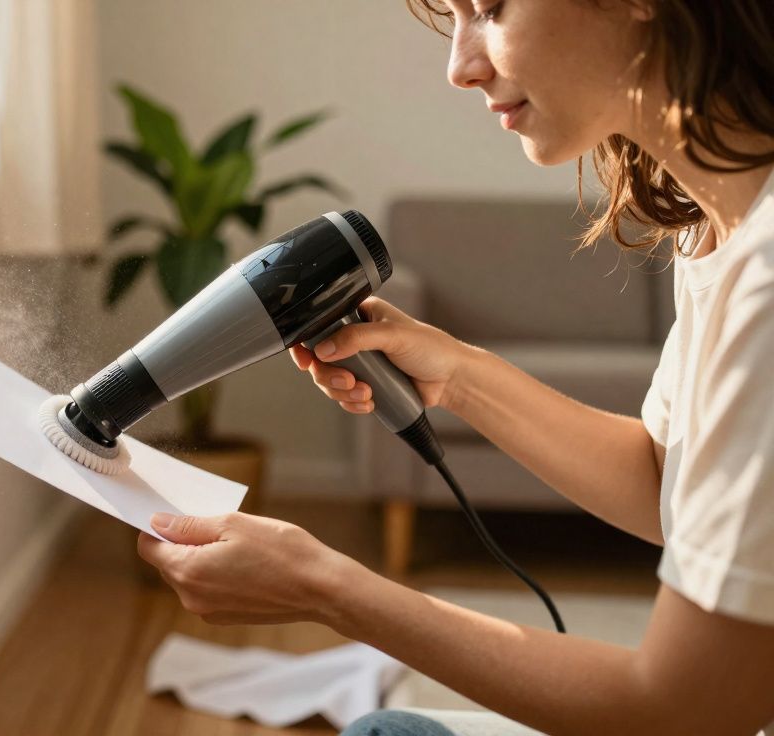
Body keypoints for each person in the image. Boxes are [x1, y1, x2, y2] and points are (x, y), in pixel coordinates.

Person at [135, 1, 774, 734]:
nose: (461, 66)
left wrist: (326, 588)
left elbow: (684, 708)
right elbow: (666, 483)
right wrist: (458, 374)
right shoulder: (716, 229)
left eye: (491, 9)